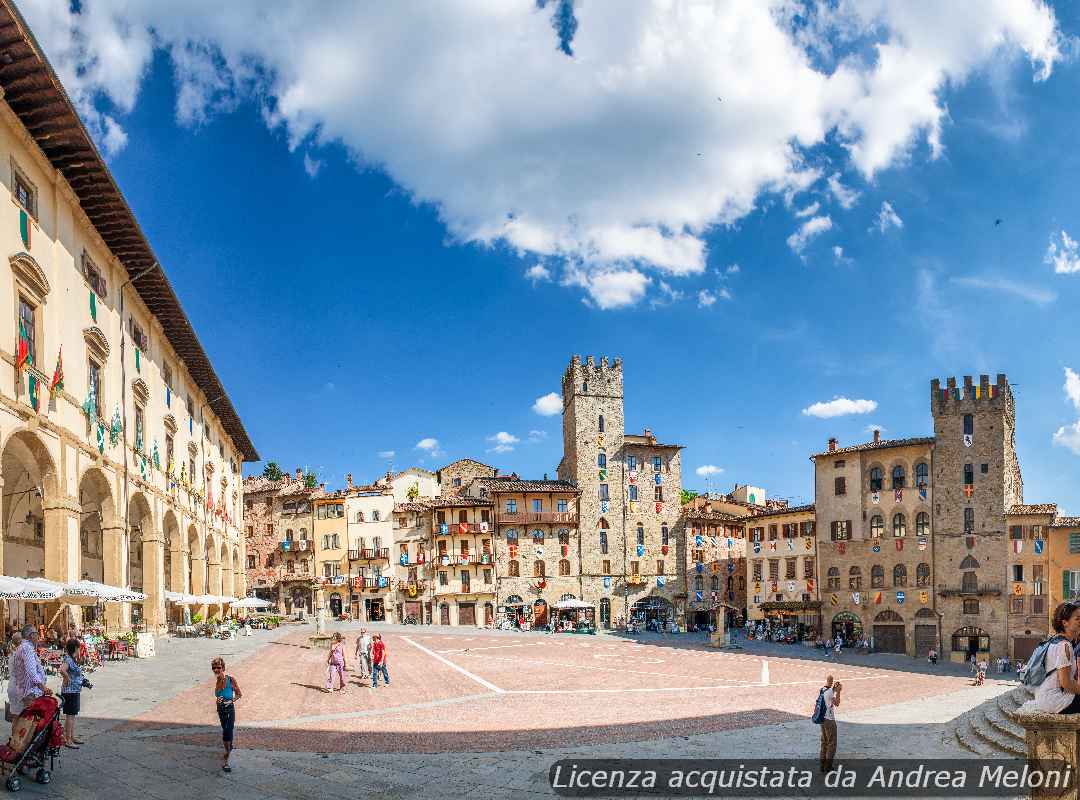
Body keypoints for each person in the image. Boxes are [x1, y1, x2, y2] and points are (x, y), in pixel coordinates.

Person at [1020, 602, 1080, 714]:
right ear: (1065, 623)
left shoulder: (1052, 641)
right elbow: (1066, 683)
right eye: (1077, 619)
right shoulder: (1064, 645)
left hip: (1043, 698)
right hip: (1056, 701)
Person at [10, 625, 49, 719]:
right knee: (31, 725)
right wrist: (42, 686)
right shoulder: (26, 648)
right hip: (30, 692)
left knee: (26, 722)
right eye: (37, 633)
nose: (38, 636)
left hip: (25, 691)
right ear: (31, 635)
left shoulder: (23, 647)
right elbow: (31, 671)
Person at [211, 657, 242, 771]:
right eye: (214, 668)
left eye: (218, 667)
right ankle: (230, 747)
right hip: (220, 709)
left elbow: (239, 694)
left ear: (223, 668)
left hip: (229, 709)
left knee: (227, 732)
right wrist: (217, 700)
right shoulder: (217, 681)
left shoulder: (230, 680)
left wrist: (231, 700)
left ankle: (226, 760)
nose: (216, 670)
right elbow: (218, 696)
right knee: (227, 730)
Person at [59, 638, 87, 748]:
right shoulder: (68, 660)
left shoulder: (72, 659)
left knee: (72, 715)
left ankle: (71, 736)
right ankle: (68, 739)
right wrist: (67, 678)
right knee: (70, 716)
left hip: (73, 691)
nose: (80, 650)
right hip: (70, 691)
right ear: (75, 648)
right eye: (79, 648)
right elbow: (62, 670)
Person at [819, 675, 841, 772]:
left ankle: (822, 764)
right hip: (829, 720)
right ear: (831, 681)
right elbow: (837, 703)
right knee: (832, 743)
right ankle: (828, 766)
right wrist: (839, 692)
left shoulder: (823, 689)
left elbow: (829, 694)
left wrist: (834, 690)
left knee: (824, 742)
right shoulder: (830, 692)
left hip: (822, 719)